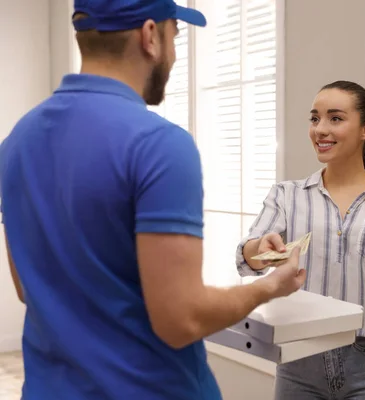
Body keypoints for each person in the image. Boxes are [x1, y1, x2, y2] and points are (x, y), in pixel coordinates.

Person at [0, 1, 306, 399]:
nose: (176, 54)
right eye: (175, 36)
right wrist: (267, 288)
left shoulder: (15, 144)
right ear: (149, 36)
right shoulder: (158, 145)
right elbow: (181, 318)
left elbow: (27, 287)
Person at [237, 80, 365, 399]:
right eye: (315, 119)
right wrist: (261, 249)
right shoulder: (287, 196)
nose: (320, 129)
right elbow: (249, 258)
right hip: (299, 364)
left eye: (335, 118)